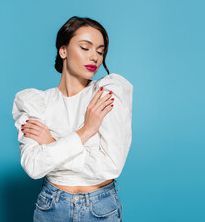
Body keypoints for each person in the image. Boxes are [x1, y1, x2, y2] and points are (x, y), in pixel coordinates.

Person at [12, 16, 133, 222]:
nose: (94, 57)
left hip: (101, 209)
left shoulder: (107, 94)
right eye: (85, 48)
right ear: (63, 50)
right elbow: (34, 166)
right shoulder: (35, 102)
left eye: (100, 51)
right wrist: (86, 131)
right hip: (51, 207)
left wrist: (52, 144)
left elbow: (111, 166)